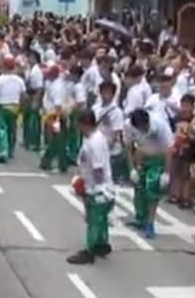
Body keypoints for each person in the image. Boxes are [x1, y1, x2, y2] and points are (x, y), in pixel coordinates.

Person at [67, 109, 115, 265]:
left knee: (94, 220)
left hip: (98, 189)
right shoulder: (92, 139)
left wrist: (91, 188)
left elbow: (98, 169)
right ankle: (102, 244)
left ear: (84, 124)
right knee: (100, 220)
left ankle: (89, 250)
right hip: (96, 186)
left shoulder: (95, 143)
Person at [125, 108, 173, 239]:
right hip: (141, 157)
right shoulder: (129, 126)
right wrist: (132, 169)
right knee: (139, 188)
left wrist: (166, 173)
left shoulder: (160, 125)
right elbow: (128, 148)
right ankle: (141, 218)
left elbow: (169, 149)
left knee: (152, 188)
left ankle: (150, 223)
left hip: (157, 159)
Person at [0, 54, 25, 163]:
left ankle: (2, 151)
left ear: (3, 66)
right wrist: (21, 107)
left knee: (1, 129)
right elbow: (23, 95)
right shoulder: (19, 80)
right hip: (15, 107)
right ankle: (11, 150)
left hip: (3, 107)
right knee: (12, 129)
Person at [93, 81, 126, 184]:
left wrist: (106, 149)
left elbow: (116, 133)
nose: (105, 95)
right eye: (103, 92)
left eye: (108, 92)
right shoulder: (95, 108)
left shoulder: (116, 112)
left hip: (110, 151)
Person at [40, 64, 69, 172]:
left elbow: (58, 106)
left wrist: (55, 121)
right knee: (58, 140)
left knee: (57, 140)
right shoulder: (54, 83)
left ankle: (48, 162)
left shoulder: (57, 87)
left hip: (55, 116)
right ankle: (60, 163)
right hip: (53, 114)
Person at [22, 50, 44, 151]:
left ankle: (34, 142)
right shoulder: (28, 69)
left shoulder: (37, 71)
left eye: (30, 57)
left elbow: (39, 88)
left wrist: (36, 101)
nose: (29, 59)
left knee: (33, 121)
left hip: (34, 95)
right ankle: (26, 140)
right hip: (28, 95)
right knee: (26, 118)